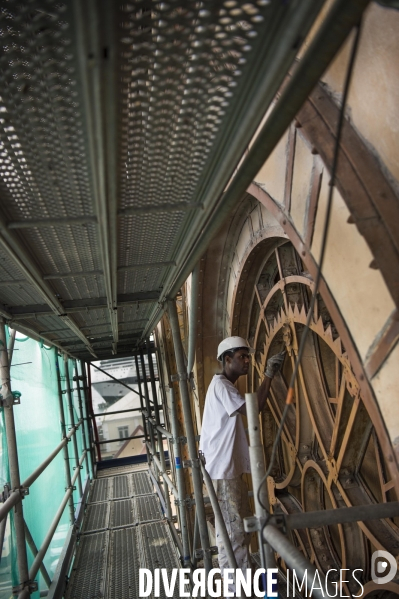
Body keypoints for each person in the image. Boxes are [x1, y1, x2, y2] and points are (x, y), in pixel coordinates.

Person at [199, 336, 285, 595]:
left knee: (233, 533)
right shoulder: (222, 386)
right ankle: (238, 591)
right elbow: (254, 407)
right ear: (227, 360)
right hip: (222, 472)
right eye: (241, 357)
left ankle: (238, 588)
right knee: (234, 534)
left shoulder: (225, 386)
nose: (247, 361)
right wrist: (269, 375)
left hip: (224, 470)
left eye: (248, 356)